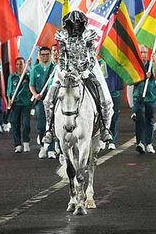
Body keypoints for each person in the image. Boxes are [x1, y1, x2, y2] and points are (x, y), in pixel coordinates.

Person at [43, 11, 113, 145]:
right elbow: (62, 57)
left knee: (105, 99)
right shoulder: (63, 37)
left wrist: (86, 70)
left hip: (85, 72)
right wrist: (64, 70)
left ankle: (105, 128)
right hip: (67, 73)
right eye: (72, 23)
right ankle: (49, 130)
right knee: (48, 100)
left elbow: (91, 56)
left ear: (82, 24)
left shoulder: (88, 36)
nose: (75, 26)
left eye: (78, 23)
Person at [132, 46, 156, 154]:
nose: (143, 54)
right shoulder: (135, 65)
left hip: (151, 97)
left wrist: (155, 62)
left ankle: (149, 143)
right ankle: (140, 142)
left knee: (149, 120)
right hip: (138, 97)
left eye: (144, 52)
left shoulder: (151, 65)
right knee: (139, 120)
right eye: (141, 52)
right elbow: (130, 81)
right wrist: (142, 76)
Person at [29, 47, 56, 159]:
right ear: (39, 56)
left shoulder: (55, 68)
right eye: (43, 54)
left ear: (50, 55)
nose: (45, 57)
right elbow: (31, 85)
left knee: (52, 125)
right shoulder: (35, 69)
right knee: (41, 126)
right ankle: (42, 147)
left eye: (47, 54)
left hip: (52, 101)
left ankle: (51, 149)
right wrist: (35, 94)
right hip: (40, 101)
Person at [7, 56, 33, 153]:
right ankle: (17, 144)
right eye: (17, 64)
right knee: (15, 124)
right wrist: (9, 100)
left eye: (21, 64)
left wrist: (29, 68)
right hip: (15, 103)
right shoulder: (12, 77)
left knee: (26, 124)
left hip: (26, 103)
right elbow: (9, 90)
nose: (19, 66)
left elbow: (33, 84)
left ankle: (26, 142)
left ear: (24, 64)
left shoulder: (28, 75)